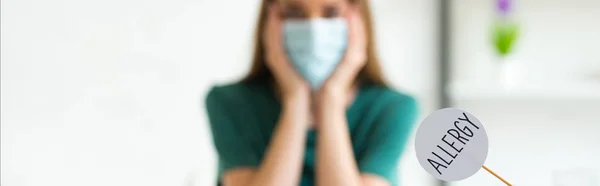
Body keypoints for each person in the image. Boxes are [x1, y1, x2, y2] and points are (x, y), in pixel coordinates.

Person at [204, 0, 418, 185]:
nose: (314, 28)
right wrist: (295, 100)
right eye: (295, 12)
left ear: (357, 16)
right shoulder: (229, 103)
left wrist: (331, 98)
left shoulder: (392, 108)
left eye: (331, 12)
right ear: (270, 18)